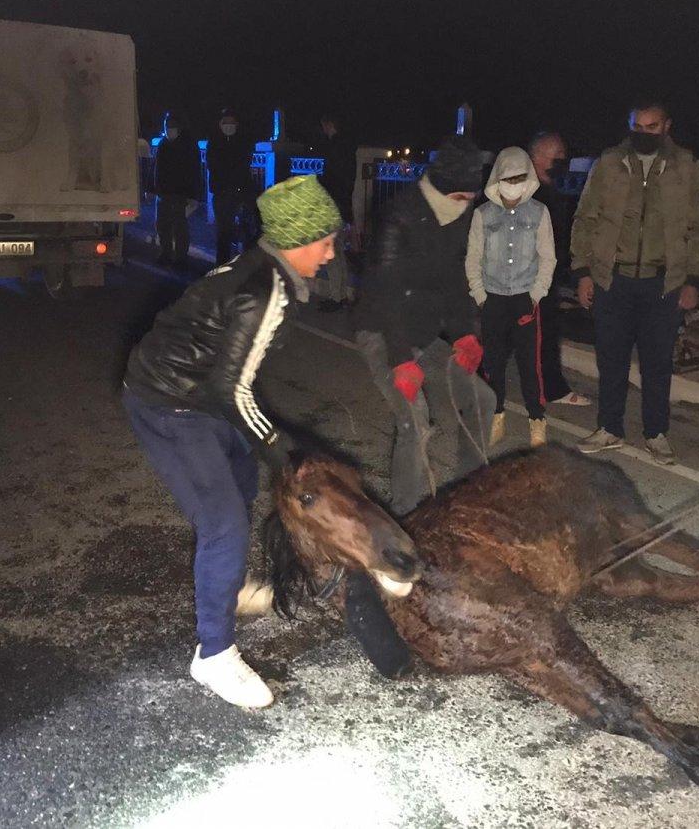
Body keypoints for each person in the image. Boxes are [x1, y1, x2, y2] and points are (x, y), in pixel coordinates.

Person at [123, 175, 349, 708]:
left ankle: (228, 585)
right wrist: (283, 451)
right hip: (170, 403)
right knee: (223, 521)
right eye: (325, 241)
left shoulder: (261, 267)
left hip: (199, 394)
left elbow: (229, 378)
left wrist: (267, 446)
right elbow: (233, 389)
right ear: (296, 241)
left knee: (242, 478)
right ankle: (215, 655)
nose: (331, 252)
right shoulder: (264, 290)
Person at [353, 135, 495, 516]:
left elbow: (454, 281)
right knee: (414, 422)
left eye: (471, 197)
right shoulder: (399, 215)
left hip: (425, 333)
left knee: (483, 400)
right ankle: (405, 515)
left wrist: (465, 334)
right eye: (461, 197)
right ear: (444, 187)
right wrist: (401, 359)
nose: (466, 205)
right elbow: (386, 292)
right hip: (383, 333)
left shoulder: (457, 215)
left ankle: (468, 494)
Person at [570, 100, 699, 465]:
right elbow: (585, 219)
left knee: (657, 363)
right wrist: (583, 272)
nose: (644, 133)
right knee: (611, 360)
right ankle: (609, 428)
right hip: (612, 279)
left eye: (652, 127)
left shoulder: (686, 166)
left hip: (663, 282)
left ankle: (656, 433)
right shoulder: (609, 163)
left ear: (666, 126)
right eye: (638, 126)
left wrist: (693, 280)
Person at [465, 146, 556, 448]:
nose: (513, 185)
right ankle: (496, 416)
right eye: (508, 179)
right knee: (493, 363)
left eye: (519, 178)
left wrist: (536, 294)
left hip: (524, 299)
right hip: (493, 299)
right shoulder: (483, 215)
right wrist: (480, 295)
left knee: (530, 365)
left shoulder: (539, 213)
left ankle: (537, 421)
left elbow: (548, 258)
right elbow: (473, 258)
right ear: (497, 179)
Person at [528, 130, 591, 407]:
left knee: (539, 333)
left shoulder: (546, 189)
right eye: (558, 156)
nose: (563, 162)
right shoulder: (525, 189)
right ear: (539, 156)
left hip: (543, 276)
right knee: (541, 333)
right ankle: (551, 389)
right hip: (529, 278)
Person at [315, 113, 356, 311]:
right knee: (339, 252)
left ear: (329, 125)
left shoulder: (334, 147)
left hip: (333, 205)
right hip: (343, 204)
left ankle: (336, 297)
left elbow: (332, 178)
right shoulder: (347, 147)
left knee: (332, 252)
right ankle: (342, 295)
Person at [205, 108, 256, 266]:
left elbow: (244, 164)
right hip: (221, 192)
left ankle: (246, 263)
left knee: (246, 228)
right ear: (220, 124)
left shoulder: (243, 141)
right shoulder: (214, 141)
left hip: (240, 191)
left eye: (231, 123)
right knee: (223, 231)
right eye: (225, 123)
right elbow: (211, 164)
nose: (228, 126)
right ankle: (222, 263)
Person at [152, 111, 200, 268]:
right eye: (167, 126)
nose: (169, 129)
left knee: (179, 227)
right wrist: (152, 188)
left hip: (180, 193)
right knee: (162, 225)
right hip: (163, 193)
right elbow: (156, 168)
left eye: (172, 126)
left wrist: (193, 195)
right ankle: (165, 253)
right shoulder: (162, 144)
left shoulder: (188, 145)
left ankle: (180, 258)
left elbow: (194, 171)